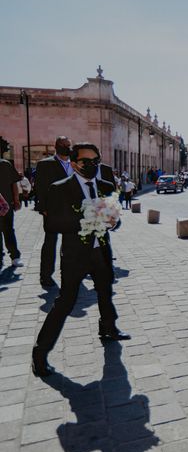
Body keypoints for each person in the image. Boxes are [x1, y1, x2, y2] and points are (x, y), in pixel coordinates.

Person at [32, 143, 131, 378]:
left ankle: (108, 329)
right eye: (86, 161)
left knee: (105, 291)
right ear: (74, 163)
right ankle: (40, 353)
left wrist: (114, 222)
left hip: (101, 251)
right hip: (75, 255)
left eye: (96, 160)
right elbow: (51, 224)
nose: (92, 165)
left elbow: (113, 219)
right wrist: (84, 222)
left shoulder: (106, 186)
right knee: (65, 302)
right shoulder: (60, 189)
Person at [34, 136, 74, 287]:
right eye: (63, 145)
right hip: (52, 211)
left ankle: (68, 272)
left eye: (68, 145)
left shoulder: (74, 164)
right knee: (50, 243)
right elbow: (40, 187)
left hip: (72, 211)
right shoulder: (45, 164)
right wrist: (43, 208)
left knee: (69, 244)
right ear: (56, 146)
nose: (67, 148)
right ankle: (45, 275)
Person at [0, 157, 23, 269]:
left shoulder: (4, 164)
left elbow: (14, 183)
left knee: (8, 229)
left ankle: (15, 256)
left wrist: (16, 199)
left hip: (6, 204)